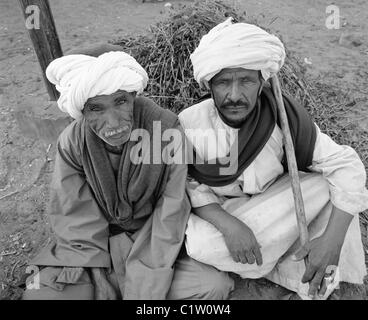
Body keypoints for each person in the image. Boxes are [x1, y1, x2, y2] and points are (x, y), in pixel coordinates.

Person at [22, 45, 233, 300]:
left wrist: (146, 286)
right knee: (40, 295)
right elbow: (74, 218)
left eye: (120, 102)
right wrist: (98, 276)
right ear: (82, 112)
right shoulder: (73, 142)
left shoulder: (166, 131)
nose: (112, 124)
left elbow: (171, 213)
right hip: (96, 249)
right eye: (96, 109)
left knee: (212, 285)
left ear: (133, 95)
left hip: (152, 243)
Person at [178, 18, 368, 300]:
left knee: (333, 187)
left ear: (261, 82)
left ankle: (314, 268)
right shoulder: (190, 123)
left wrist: (332, 241)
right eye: (223, 83)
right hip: (227, 212)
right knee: (201, 246)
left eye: (245, 81)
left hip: (276, 206)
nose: (234, 95)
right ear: (209, 84)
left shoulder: (282, 119)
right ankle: (280, 267)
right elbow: (190, 185)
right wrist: (229, 226)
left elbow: (347, 165)